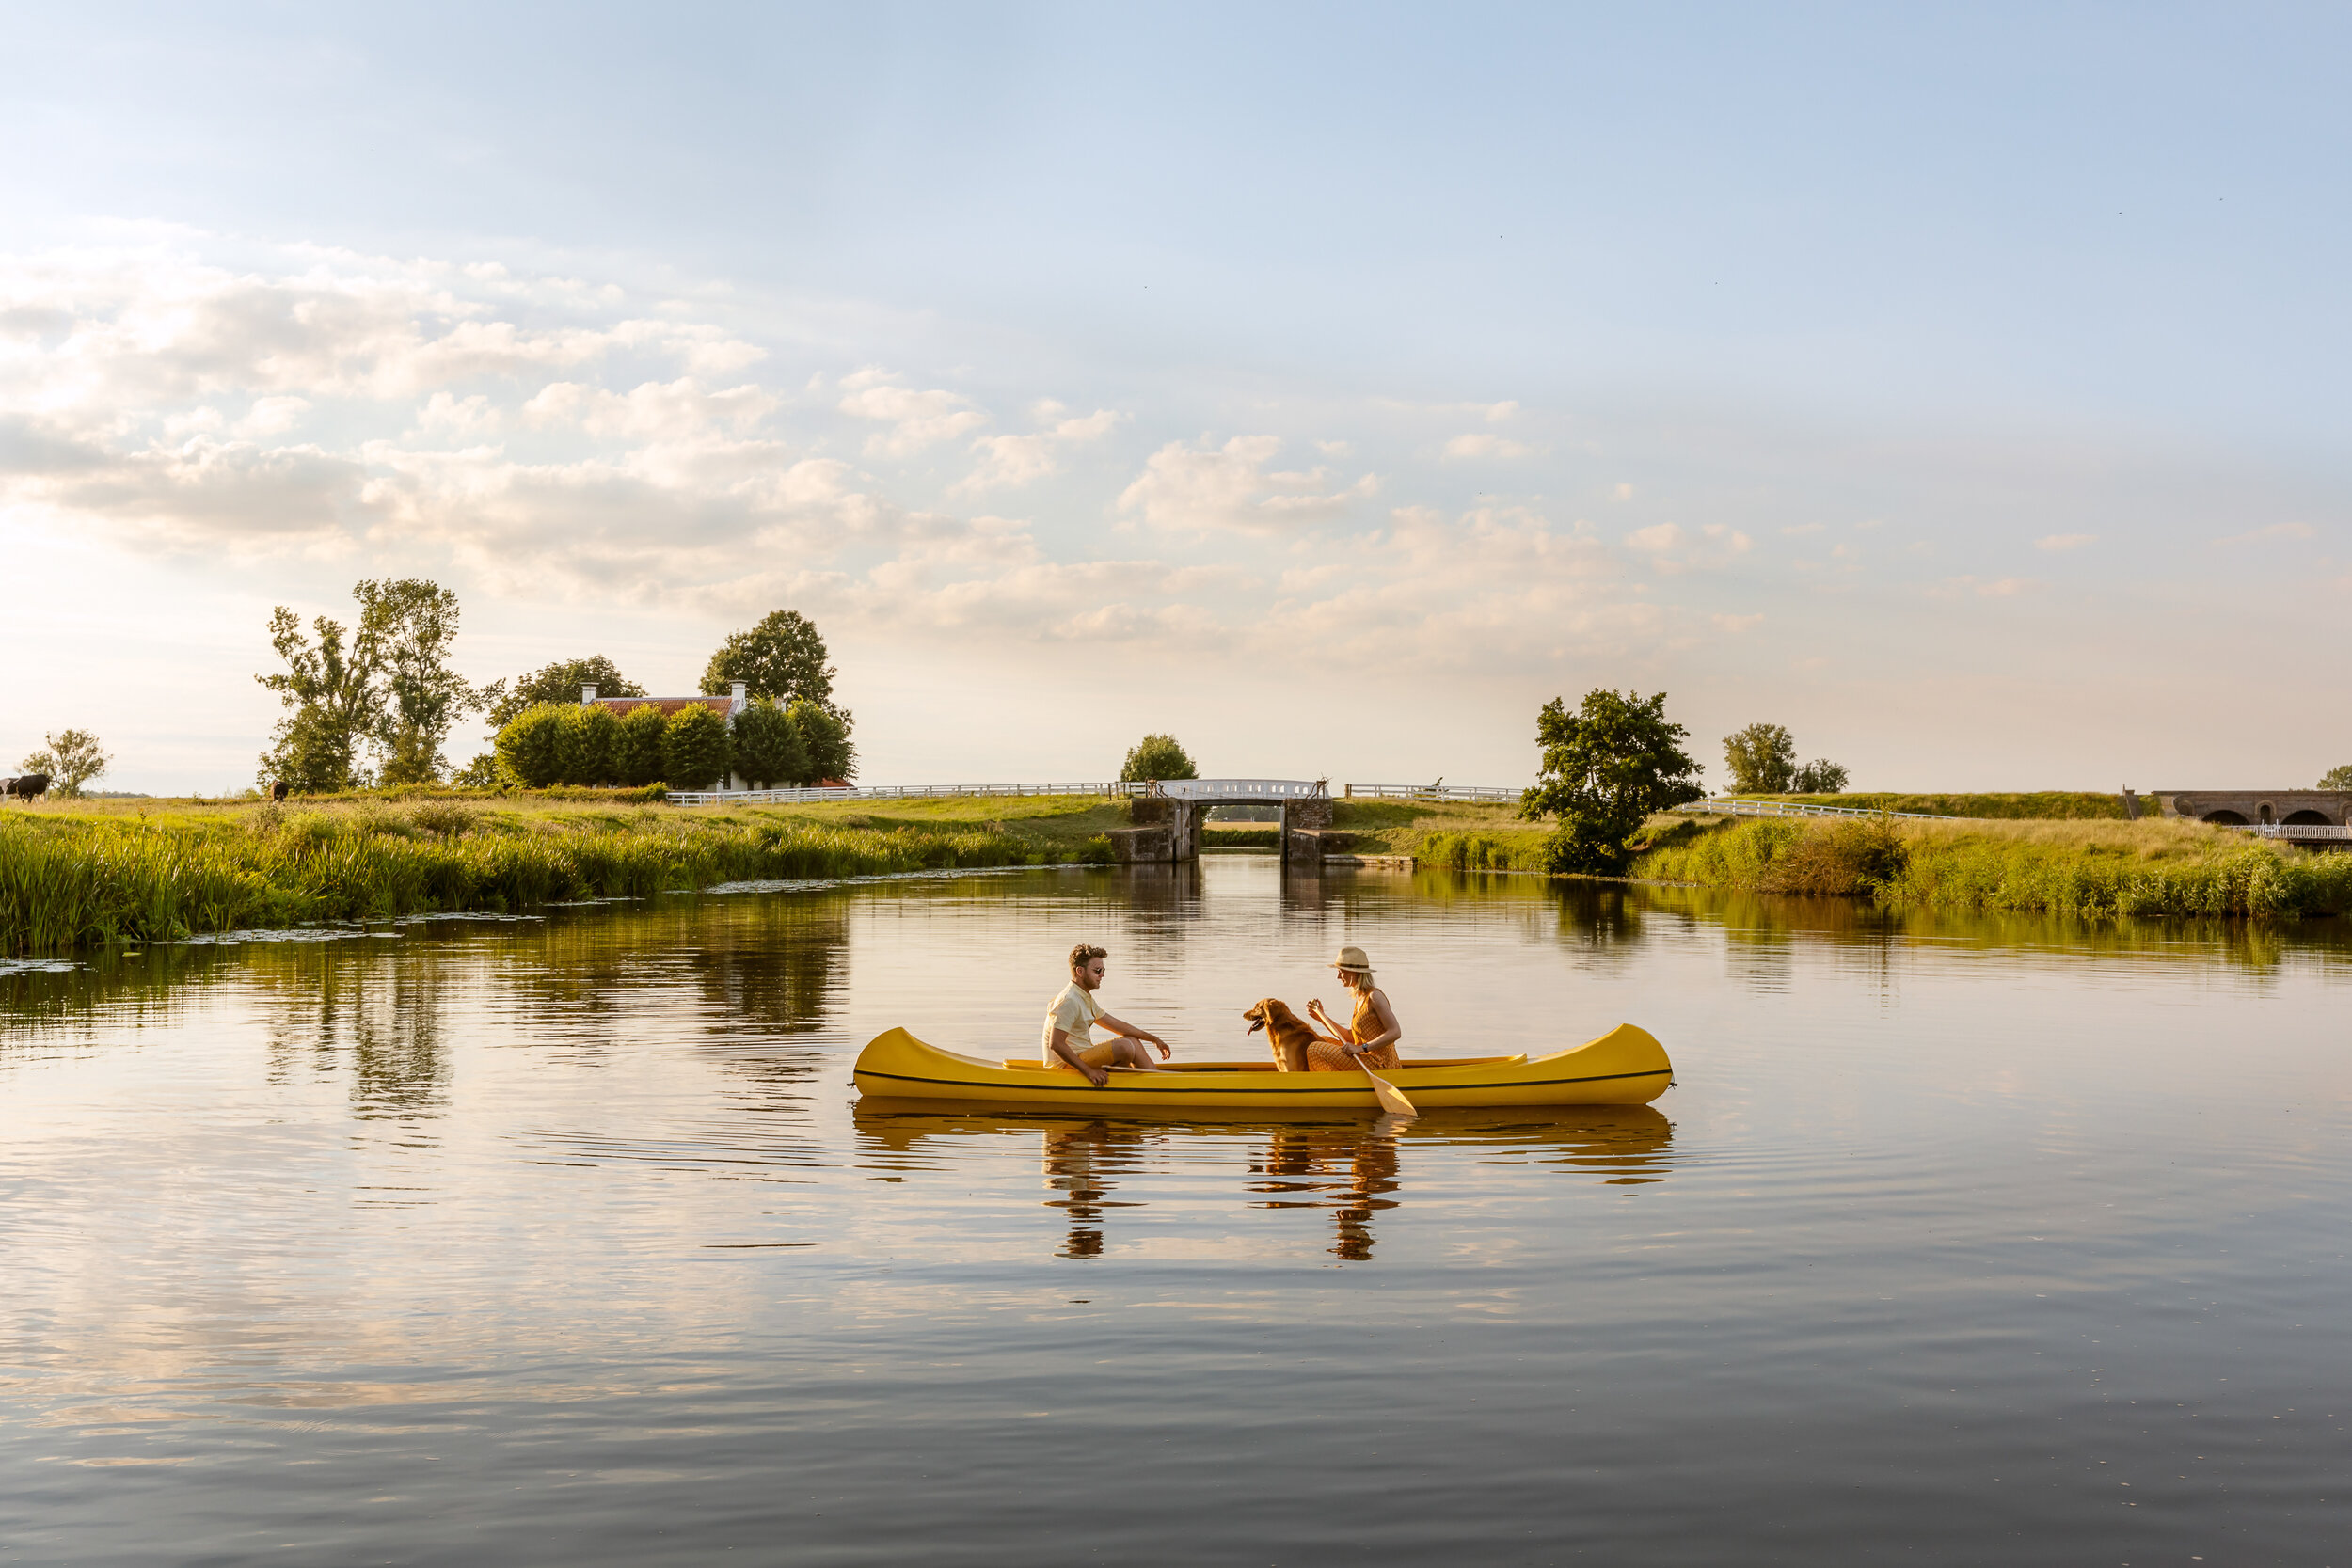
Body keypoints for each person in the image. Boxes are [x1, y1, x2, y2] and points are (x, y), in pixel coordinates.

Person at [1045, 943, 1172, 1086]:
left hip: (1083, 1056)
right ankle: (1140, 1085)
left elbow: (1117, 1025)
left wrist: (1154, 1039)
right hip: (1066, 1067)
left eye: (1103, 970)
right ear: (1080, 971)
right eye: (1097, 970)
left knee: (1132, 1041)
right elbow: (1056, 1044)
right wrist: (1089, 1072)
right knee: (1125, 1046)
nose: (1102, 975)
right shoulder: (1069, 1000)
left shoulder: (1083, 998)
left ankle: (1157, 1083)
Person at [1303, 944, 1403, 1072]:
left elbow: (1395, 1032)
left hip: (1379, 1064)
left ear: (1355, 972)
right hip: (1365, 1058)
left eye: (1341, 971)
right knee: (1319, 1040)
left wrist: (1362, 1048)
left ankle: (1335, 1085)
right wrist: (1322, 1017)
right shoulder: (1361, 997)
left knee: (1314, 1049)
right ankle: (1338, 1081)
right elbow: (1351, 1037)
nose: (1338, 977)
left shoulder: (1374, 996)